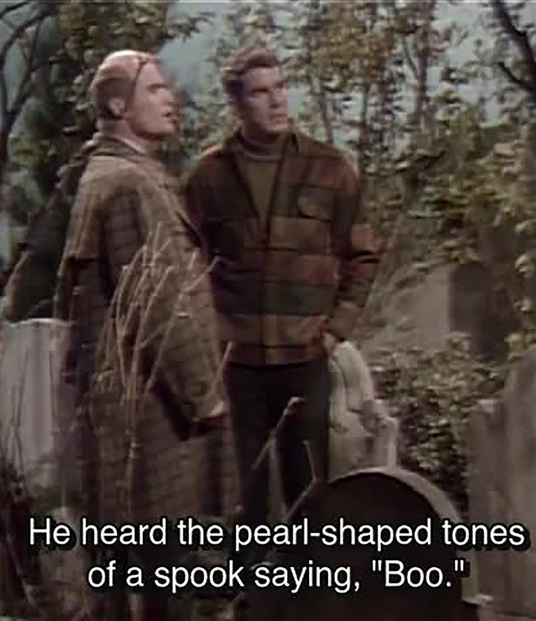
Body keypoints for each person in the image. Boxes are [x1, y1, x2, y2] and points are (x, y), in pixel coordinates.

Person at [181, 45, 380, 550]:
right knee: (243, 501)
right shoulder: (209, 177)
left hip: (304, 358)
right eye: (260, 92)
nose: (276, 101)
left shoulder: (330, 169)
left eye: (280, 87)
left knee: (310, 495)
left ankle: (312, 586)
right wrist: (208, 340)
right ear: (237, 104)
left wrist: (335, 331)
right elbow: (187, 266)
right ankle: (252, 587)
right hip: (237, 365)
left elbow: (362, 255)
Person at [53, 50, 227, 621]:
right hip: (154, 418)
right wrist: (204, 394)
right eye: (154, 89)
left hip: (136, 413)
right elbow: (158, 304)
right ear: (116, 105)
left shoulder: (113, 176)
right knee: (164, 582)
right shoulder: (128, 184)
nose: (170, 99)